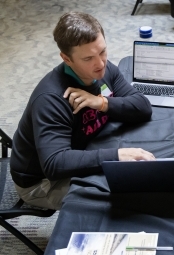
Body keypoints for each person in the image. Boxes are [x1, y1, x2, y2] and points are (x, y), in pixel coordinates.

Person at [10, 11, 155, 211]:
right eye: (88, 58)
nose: (100, 63)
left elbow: (142, 106)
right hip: (41, 183)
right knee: (122, 194)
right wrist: (116, 155)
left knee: (137, 174)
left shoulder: (103, 69)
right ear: (66, 59)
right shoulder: (51, 100)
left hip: (83, 148)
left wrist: (101, 103)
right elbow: (54, 164)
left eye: (103, 51)